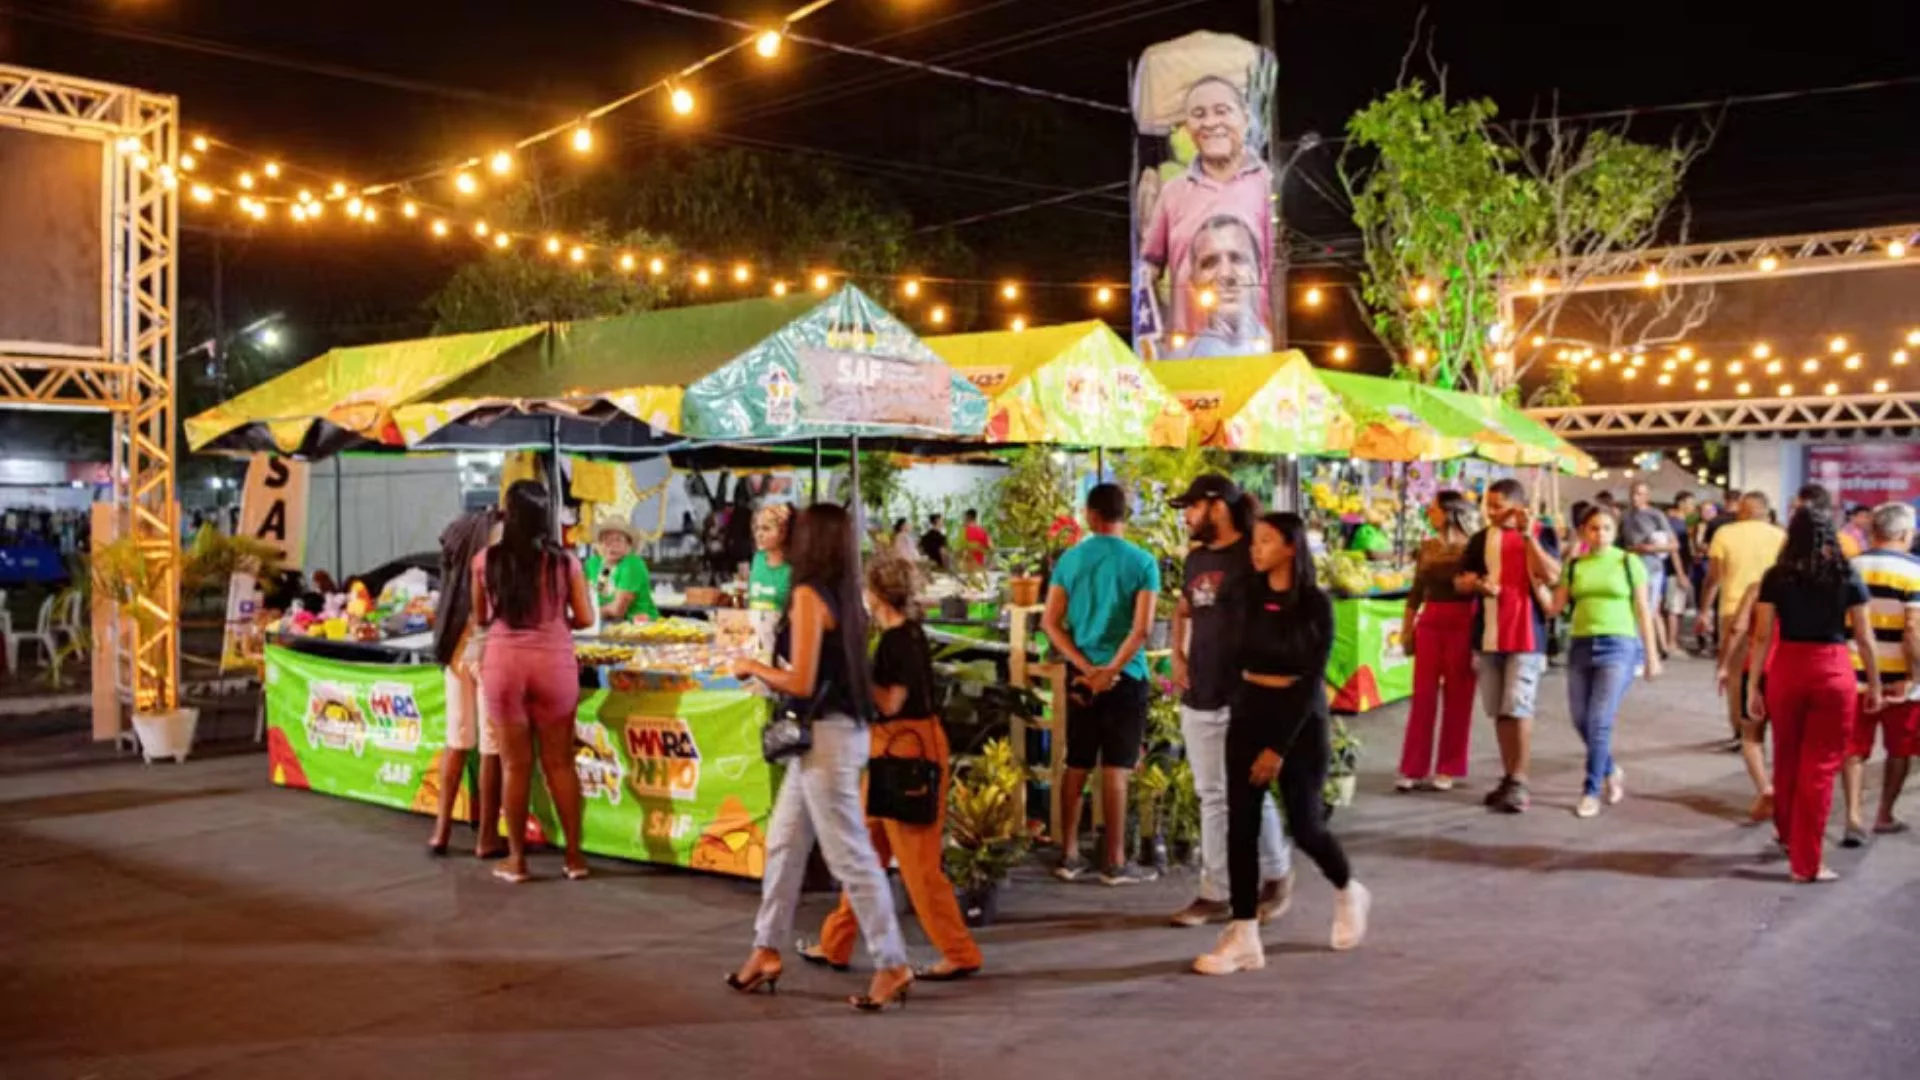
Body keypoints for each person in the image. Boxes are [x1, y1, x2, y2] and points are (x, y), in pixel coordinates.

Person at [728, 504, 914, 1012]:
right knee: (784, 845)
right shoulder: (847, 595)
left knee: (849, 855)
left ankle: (892, 961)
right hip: (838, 733)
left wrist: (753, 668)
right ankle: (766, 948)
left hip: (825, 738)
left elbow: (802, 680)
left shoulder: (809, 596)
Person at [1193, 512, 1369, 975]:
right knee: (1241, 825)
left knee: (1306, 824)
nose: (1256, 549)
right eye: (1255, 541)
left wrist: (1277, 748)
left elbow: (1311, 680)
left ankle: (1347, 887)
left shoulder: (1314, 605)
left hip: (1299, 721)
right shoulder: (1246, 595)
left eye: (1266, 541)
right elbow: (1229, 654)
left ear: (1291, 547)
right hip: (1249, 710)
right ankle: (1244, 932)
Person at [799, 555, 984, 981]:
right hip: (897, 751)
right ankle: (835, 942)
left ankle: (959, 952)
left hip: (905, 753)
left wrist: (852, 678)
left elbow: (891, 703)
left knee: (918, 865)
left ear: (875, 595)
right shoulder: (908, 635)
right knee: (862, 854)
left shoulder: (896, 643)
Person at [1167, 475, 1293, 927]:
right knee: (1212, 794)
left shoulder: (1255, 556)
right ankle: (1229, 887)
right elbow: (1182, 608)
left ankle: (1260, 879)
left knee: (1244, 789)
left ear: (1217, 506)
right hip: (1199, 691)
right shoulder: (1196, 559)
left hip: (1244, 696)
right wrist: (1178, 654)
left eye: (1191, 506)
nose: (1186, 515)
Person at [1745, 502, 1882, 883]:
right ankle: (1807, 863)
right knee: (1820, 767)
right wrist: (1872, 684)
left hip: (1786, 667)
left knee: (1787, 756)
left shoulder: (1776, 576)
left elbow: (1761, 635)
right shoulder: (1845, 574)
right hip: (1833, 669)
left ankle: (1788, 835)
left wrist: (1755, 684)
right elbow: (1865, 638)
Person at [471, 481, 593, 884]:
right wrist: (557, 622)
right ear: (546, 517)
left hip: (504, 666)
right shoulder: (565, 563)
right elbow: (587, 618)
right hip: (554, 665)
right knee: (559, 763)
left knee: (514, 765)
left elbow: (482, 618)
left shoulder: (485, 561)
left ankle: (517, 860)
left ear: (508, 515)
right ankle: (574, 858)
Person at [1042, 483, 1161, 885]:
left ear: (1091, 515)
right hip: (1127, 675)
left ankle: (1069, 853)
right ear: (1123, 514)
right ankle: (1114, 860)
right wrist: (1110, 670)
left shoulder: (1070, 561)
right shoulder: (1144, 563)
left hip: (1082, 676)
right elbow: (1142, 629)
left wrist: (1085, 667)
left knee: (1076, 761)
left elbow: (1050, 623)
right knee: (1117, 766)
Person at [1455, 478, 1563, 813]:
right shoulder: (1479, 540)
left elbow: (1554, 575)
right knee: (1499, 709)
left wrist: (1529, 535)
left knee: (1519, 706)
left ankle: (1520, 779)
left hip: (1526, 635)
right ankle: (1509, 775)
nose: (1490, 512)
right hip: (1487, 635)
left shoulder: (1543, 535)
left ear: (1517, 506)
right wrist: (1474, 583)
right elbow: (1460, 581)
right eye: (1487, 505)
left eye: (1497, 505)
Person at [1138, 76, 1274, 341]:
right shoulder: (1172, 192)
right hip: (1185, 351)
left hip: (1258, 346)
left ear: (1245, 118)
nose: (1210, 123)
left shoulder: (1267, 183)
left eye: (1222, 111)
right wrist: (1148, 332)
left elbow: (1283, 263)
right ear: (1187, 127)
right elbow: (1147, 267)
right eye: (1198, 115)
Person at [1549, 506, 1662, 819]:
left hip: (1619, 646)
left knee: (1600, 720)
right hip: (1581, 645)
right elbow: (1554, 607)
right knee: (1580, 719)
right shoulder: (1574, 566)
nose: (1600, 534)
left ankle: (1591, 789)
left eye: (1607, 528)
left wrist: (1651, 655)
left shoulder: (1629, 562)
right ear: (1584, 531)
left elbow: (1643, 609)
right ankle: (1611, 769)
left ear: (1615, 532)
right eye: (1594, 528)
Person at [1840, 502, 1920, 846]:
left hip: (1853, 672)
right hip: (1899, 678)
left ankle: (1853, 815)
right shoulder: (1915, 571)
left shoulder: (1849, 567)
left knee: (1854, 747)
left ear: (1874, 531)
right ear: (1904, 533)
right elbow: (1913, 630)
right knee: (1899, 748)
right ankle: (1884, 814)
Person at [428, 509, 504, 860]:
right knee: (492, 745)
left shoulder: (453, 569)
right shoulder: (491, 559)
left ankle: (441, 831)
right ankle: (487, 836)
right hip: (489, 649)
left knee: (456, 740)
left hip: (456, 649)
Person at [1399, 490, 1482, 791]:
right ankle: (1413, 766)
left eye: (1433, 509)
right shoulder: (1427, 548)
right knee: (1422, 696)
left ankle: (1448, 766)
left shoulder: (1474, 547)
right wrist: (1407, 629)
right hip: (1430, 622)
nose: (1429, 513)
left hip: (1464, 622)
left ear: (1448, 513)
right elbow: (1416, 592)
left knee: (1459, 697)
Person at [1699, 492, 1787, 754]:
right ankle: (1764, 724)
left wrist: (1704, 610)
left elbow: (1714, 577)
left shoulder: (1725, 534)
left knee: (1735, 674)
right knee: (1767, 668)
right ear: (1766, 511)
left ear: (1742, 510)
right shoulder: (1780, 536)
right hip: (1771, 610)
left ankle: (1741, 729)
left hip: (1733, 609)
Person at [1167, 214, 1270, 357]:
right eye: (1210, 263)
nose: (1225, 274)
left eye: (1237, 258)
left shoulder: (1282, 358)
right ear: (1194, 281)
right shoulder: (1177, 363)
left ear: (1258, 270)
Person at [1619, 482, 1676, 658]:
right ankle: (1643, 648)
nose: (1635, 497)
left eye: (1640, 494)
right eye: (1633, 493)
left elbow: (1673, 545)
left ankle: (1645, 652)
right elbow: (1620, 542)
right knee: (1632, 608)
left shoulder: (1656, 515)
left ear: (1647, 496)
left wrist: (1650, 548)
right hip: (1629, 565)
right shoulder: (1625, 516)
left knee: (1648, 610)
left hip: (1651, 568)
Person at [583, 521, 659, 623]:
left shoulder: (632, 564)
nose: (612, 545)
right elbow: (584, 599)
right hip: (604, 625)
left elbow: (617, 610)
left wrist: (588, 613)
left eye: (618, 540)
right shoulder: (593, 564)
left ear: (628, 546)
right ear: (599, 545)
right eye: (606, 540)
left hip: (638, 627)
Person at [1665, 492, 1698, 652]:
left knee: (1677, 607)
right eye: (1690, 503)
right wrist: (1680, 573)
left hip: (1682, 569)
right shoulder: (1674, 524)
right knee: (1674, 607)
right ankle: (1671, 642)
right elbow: (1674, 551)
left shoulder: (1683, 523)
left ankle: (1672, 640)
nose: (1693, 507)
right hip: (1675, 571)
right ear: (1681, 503)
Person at [747, 503, 793, 613]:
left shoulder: (792, 567)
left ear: (783, 533)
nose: (759, 534)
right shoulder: (758, 559)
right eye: (757, 528)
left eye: (766, 529)